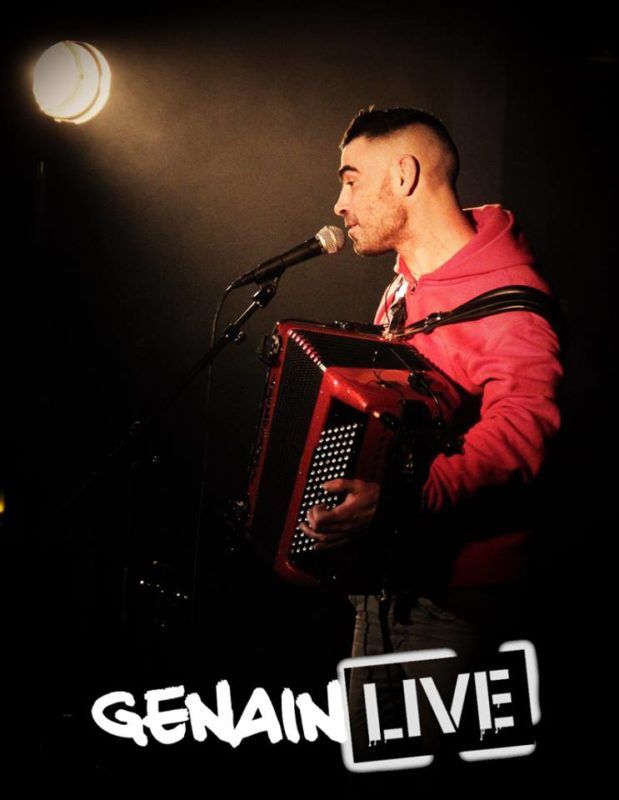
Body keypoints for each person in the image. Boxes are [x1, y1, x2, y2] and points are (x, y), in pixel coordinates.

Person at [297, 107, 563, 763]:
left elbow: (522, 434)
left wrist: (401, 499)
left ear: (404, 175)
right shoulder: (401, 293)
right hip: (384, 588)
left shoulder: (508, 296)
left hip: (457, 602)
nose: (339, 203)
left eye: (351, 180)